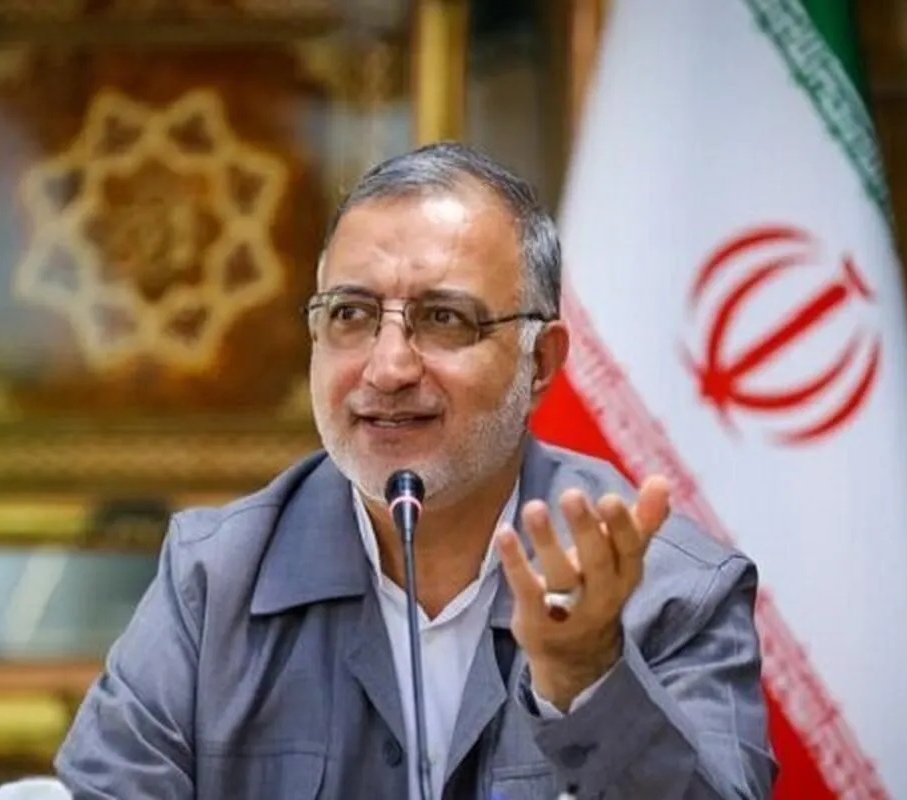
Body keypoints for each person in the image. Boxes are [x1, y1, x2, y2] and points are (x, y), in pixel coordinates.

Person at [54, 142, 776, 799]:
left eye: (443, 319)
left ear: (540, 363)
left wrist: (589, 678)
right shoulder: (214, 580)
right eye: (350, 315)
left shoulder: (670, 589)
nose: (389, 367)